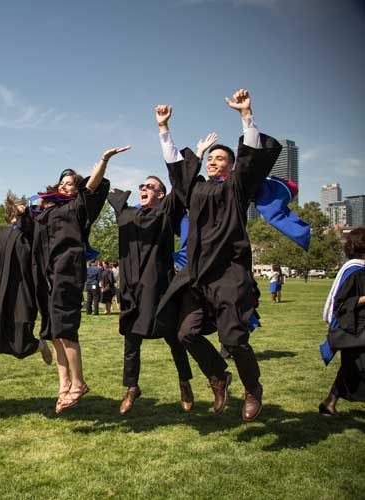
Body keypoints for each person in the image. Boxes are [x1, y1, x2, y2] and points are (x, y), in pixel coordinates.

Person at [154, 90, 282, 422]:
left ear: (231, 166)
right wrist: (164, 129)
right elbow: (177, 170)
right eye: (210, 159)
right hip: (197, 275)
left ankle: (252, 388)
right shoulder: (195, 190)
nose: (213, 162)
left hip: (229, 273)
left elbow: (251, 157)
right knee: (186, 334)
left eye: (220, 159)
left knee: (234, 338)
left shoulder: (236, 188)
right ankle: (218, 376)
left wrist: (246, 115)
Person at [106, 105, 220, 414]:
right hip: (130, 288)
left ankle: (185, 381)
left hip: (159, 289)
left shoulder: (166, 212)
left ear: (161, 194)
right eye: (142, 186)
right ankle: (132, 387)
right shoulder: (126, 213)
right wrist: (104, 162)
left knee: (174, 338)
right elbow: (95, 194)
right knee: (131, 342)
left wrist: (166, 132)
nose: (143, 189)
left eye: (150, 187)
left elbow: (181, 184)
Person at [30, 143, 131, 413]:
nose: (66, 186)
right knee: (53, 331)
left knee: (65, 328)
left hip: (67, 271)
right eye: (62, 182)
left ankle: (79, 382)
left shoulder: (78, 207)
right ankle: (64, 384)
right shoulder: (48, 210)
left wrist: (103, 160)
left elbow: (93, 186)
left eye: (71, 183)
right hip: (47, 274)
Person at [0, 194, 52, 364]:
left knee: (21, 333)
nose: (20, 212)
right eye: (17, 209)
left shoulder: (31, 234)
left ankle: (37, 345)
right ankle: (35, 346)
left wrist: (26, 215)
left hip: (22, 290)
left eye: (23, 210)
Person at [319, 227, 365, 415]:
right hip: (355, 328)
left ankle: (330, 401)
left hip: (360, 329)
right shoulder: (353, 270)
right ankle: (330, 401)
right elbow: (341, 304)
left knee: (352, 367)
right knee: (357, 367)